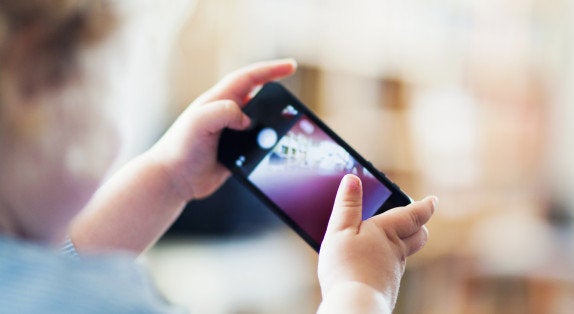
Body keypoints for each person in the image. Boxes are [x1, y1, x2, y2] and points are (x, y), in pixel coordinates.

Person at [0, 1, 435, 313]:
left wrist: (168, 177)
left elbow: (63, 258)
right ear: (52, 120)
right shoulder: (106, 303)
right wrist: (359, 291)